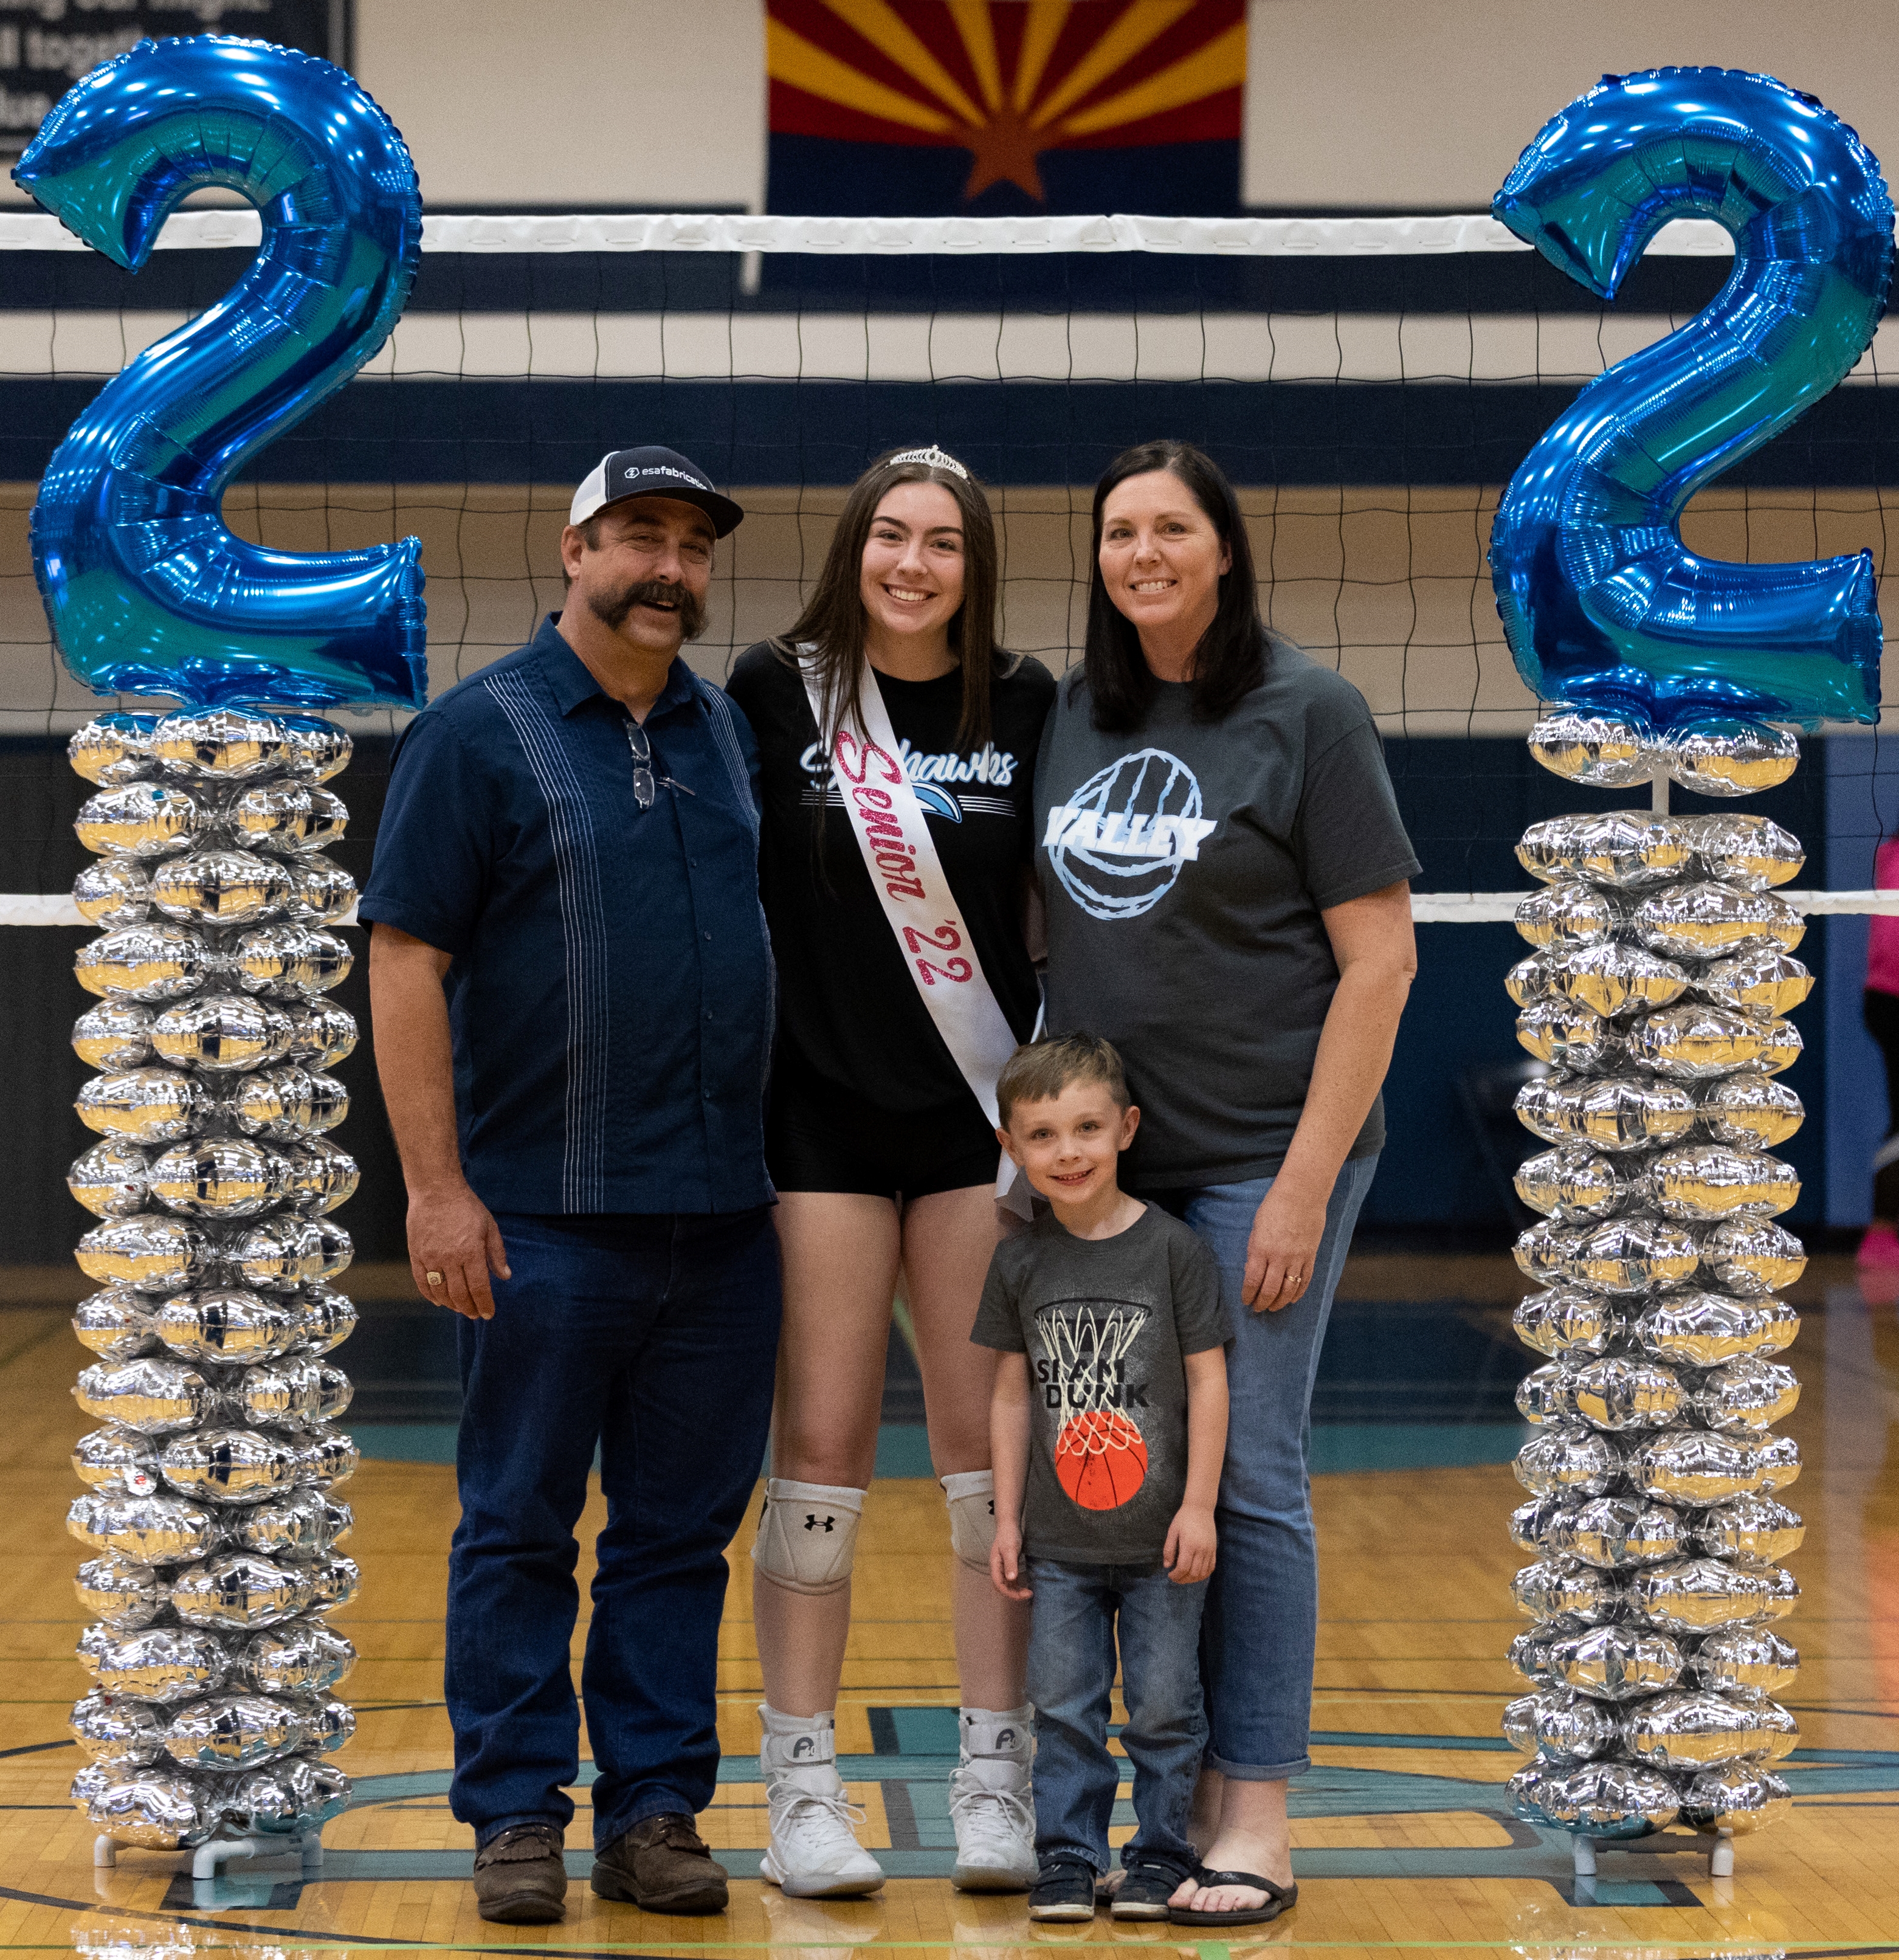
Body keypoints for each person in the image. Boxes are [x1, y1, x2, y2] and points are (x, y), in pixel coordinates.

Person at [362, 447, 781, 1926]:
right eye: (640, 536)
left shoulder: (728, 732)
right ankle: (516, 1816)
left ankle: (655, 1807)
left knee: (679, 1535)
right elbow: (405, 957)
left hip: (727, 1221)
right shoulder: (475, 734)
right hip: (540, 1216)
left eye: (692, 545)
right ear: (573, 549)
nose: (669, 566)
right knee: (521, 1524)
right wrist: (434, 1188)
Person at [1034, 440, 1419, 1925]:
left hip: (1265, 1156)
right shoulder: (1074, 710)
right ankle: (1169, 1797)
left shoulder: (1306, 710)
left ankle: (1254, 1808)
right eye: (1118, 528)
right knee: (1125, 1490)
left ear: (1222, 548)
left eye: (1170, 528)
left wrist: (1304, 1186)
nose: (1141, 551)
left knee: (1245, 1475)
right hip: (1114, 1175)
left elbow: (1381, 962)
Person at [724, 446, 1055, 1897]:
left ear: (975, 566)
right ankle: (802, 1788)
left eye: (942, 544)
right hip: (821, 1129)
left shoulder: (1030, 705)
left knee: (991, 1471)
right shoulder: (769, 692)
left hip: (973, 1126)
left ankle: (998, 1776)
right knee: (822, 1459)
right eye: (889, 536)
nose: (912, 563)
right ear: (852, 546)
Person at [976, 1034, 1230, 1925]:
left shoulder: (1174, 1251)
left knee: (1164, 1709)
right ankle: (1069, 1859)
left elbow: (1208, 1381)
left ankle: (1161, 1856)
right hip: (1060, 1547)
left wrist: (1199, 1505)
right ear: (1011, 1147)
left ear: (1126, 1128)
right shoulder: (1020, 1261)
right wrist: (1008, 1520)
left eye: (1086, 1127)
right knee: (1067, 1710)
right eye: (1042, 1135)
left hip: (1163, 1539)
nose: (1068, 1152)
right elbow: (1010, 1397)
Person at [1860, 829, 1899, 1276]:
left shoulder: (1888, 852)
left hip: (1882, 999)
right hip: (1892, 999)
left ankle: (1883, 1230)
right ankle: (1881, 1232)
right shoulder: (1892, 856)